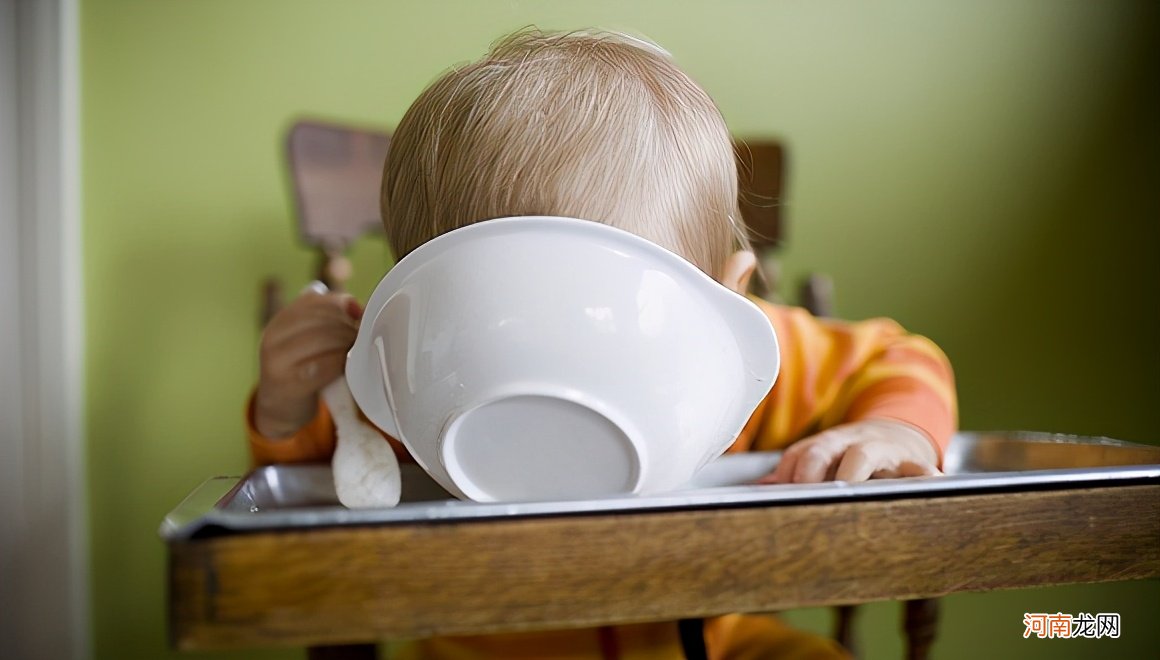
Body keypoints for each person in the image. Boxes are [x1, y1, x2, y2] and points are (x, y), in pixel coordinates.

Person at [248, 28, 956, 660]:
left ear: (728, 305)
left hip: (712, 642)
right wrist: (293, 410)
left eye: (602, 326)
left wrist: (892, 429)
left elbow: (897, 360)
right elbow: (330, 488)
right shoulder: (407, 376)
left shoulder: (752, 358)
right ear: (422, 320)